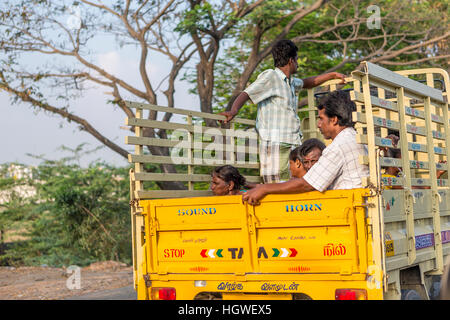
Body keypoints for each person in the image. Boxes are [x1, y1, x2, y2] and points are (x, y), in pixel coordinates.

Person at [219, 39, 346, 184]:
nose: (298, 63)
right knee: (276, 183)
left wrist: (332, 75)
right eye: (297, 59)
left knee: (294, 182)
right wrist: (233, 110)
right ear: (291, 60)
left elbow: (309, 82)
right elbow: (247, 93)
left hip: (292, 142)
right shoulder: (271, 77)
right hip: (276, 143)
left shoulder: (291, 82)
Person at [242, 90, 369, 205]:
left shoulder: (339, 146)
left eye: (321, 119)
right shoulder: (355, 138)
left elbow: (307, 184)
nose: (319, 125)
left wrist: (265, 188)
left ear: (334, 120)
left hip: (350, 209)